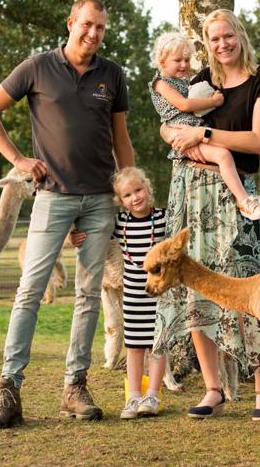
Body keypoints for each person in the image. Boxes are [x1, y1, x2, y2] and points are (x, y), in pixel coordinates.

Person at [0, 0, 135, 430]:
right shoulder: (37, 67)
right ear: (70, 23)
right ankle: (8, 390)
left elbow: (121, 140)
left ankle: (74, 386)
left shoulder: (112, 75)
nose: (93, 34)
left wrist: (130, 186)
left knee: (88, 294)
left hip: (100, 201)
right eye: (87, 25)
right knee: (30, 291)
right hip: (53, 197)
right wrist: (19, 160)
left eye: (101, 28)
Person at [152, 9, 260, 421]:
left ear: (239, 35)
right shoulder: (198, 83)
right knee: (192, 284)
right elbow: (170, 123)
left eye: (228, 35)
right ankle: (213, 388)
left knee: (247, 282)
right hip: (189, 189)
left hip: (234, 191)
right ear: (206, 44)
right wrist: (173, 134)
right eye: (214, 39)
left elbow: (259, 141)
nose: (222, 44)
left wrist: (204, 134)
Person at [72, 167, 168, 419]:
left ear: (147, 188)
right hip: (133, 294)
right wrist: (76, 236)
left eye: (138, 190)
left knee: (157, 345)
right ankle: (134, 396)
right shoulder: (120, 223)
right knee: (135, 345)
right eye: (127, 195)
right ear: (120, 201)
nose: (135, 197)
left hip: (160, 294)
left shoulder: (163, 218)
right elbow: (95, 235)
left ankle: (153, 396)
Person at [150, 32, 260, 220]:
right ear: (162, 61)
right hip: (181, 134)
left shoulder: (185, 81)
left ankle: (243, 198)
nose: (184, 65)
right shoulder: (160, 83)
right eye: (177, 60)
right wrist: (213, 101)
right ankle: (244, 201)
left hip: (191, 132)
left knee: (224, 154)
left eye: (187, 60)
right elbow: (184, 105)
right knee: (223, 155)